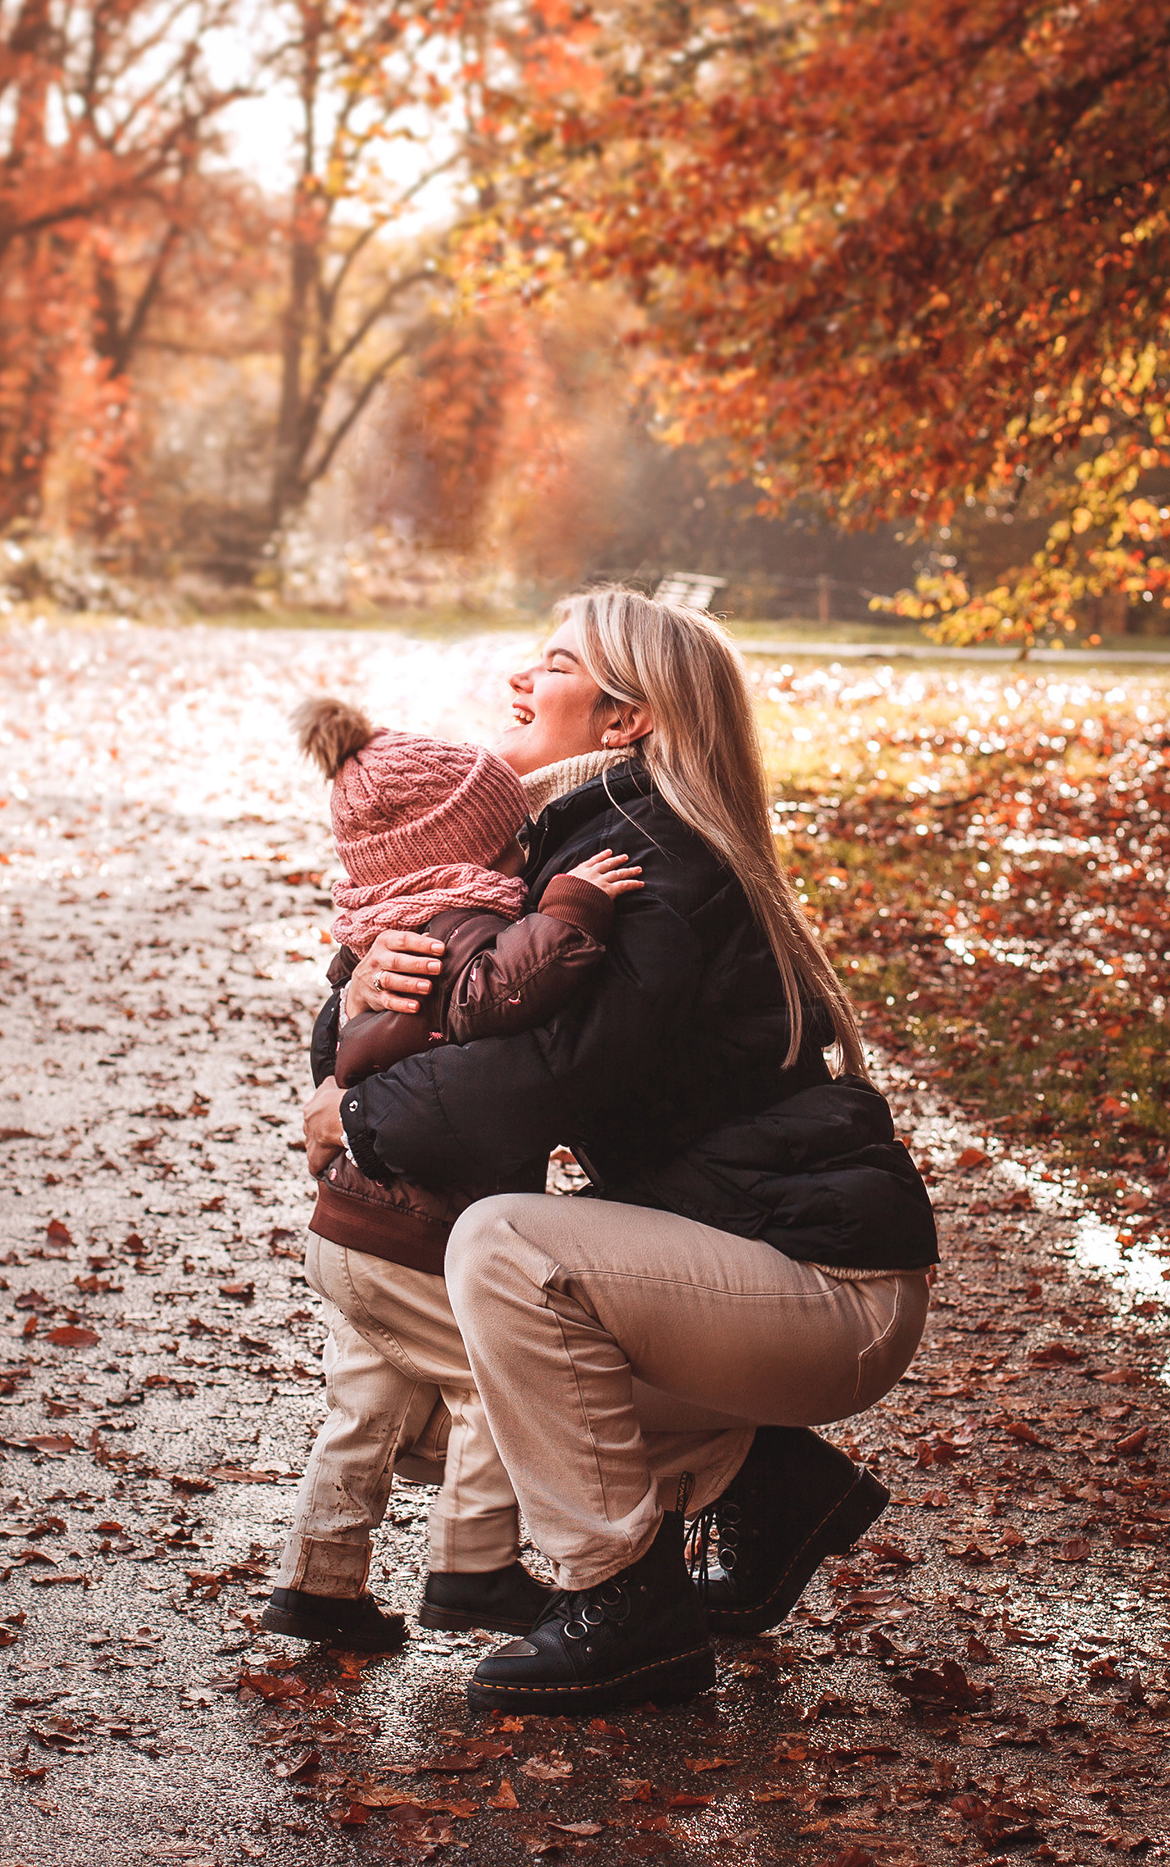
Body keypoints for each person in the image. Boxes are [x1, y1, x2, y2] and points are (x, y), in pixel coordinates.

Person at [304, 588, 938, 1712]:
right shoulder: (556, 847)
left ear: (623, 719)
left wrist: (350, 1117)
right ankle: (766, 1479)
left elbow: (513, 1090)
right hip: (738, 1267)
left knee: (502, 1247)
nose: (517, 680)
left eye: (551, 663)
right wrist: (356, 996)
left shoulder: (651, 871)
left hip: (825, 1283)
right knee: (445, 1385)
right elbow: (428, 1002)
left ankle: (625, 1601)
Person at [264, 697, 642, 1651]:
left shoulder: (376, 926)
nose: (524, 853)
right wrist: (573, 905)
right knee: (496, 1379)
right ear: (469, 847)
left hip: (352, 1228)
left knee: (366, 1404)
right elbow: (499, 989)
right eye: (510, 838)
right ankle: (472, 1569)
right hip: (411, 1232)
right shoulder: (456, 926)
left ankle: (320, 1582)